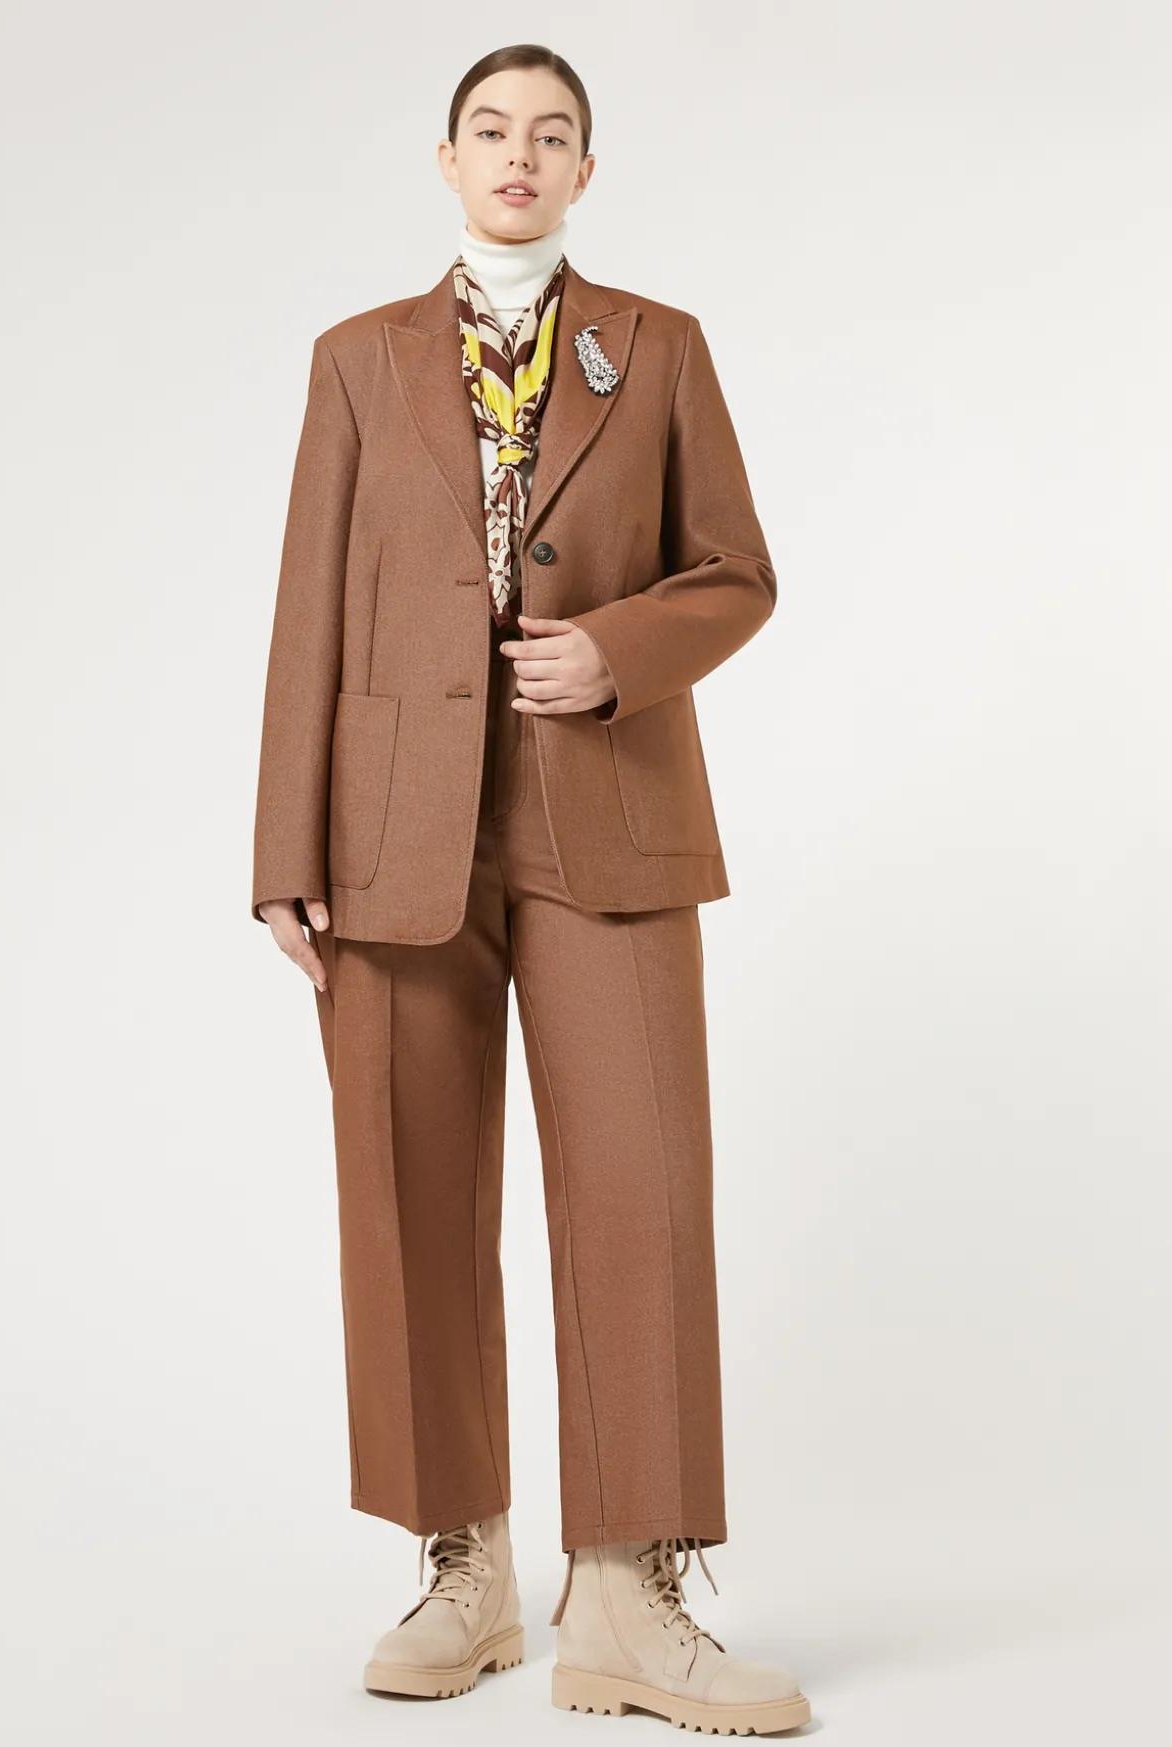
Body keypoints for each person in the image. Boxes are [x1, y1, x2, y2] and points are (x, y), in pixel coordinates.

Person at [251, 42, 810, 1735]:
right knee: (409, 1193)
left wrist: (617, 651)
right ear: (447, 159)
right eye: (491, 129)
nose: (519, 153)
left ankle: (628, 1596)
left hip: (606, 817)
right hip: (392, 831)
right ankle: (465, 1569)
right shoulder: (358, 360)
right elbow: (307, 607)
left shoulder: (659, 347)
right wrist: (283, 853)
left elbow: (737, 571)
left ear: (584, 169)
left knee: (640, 1193)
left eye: (551, 133)